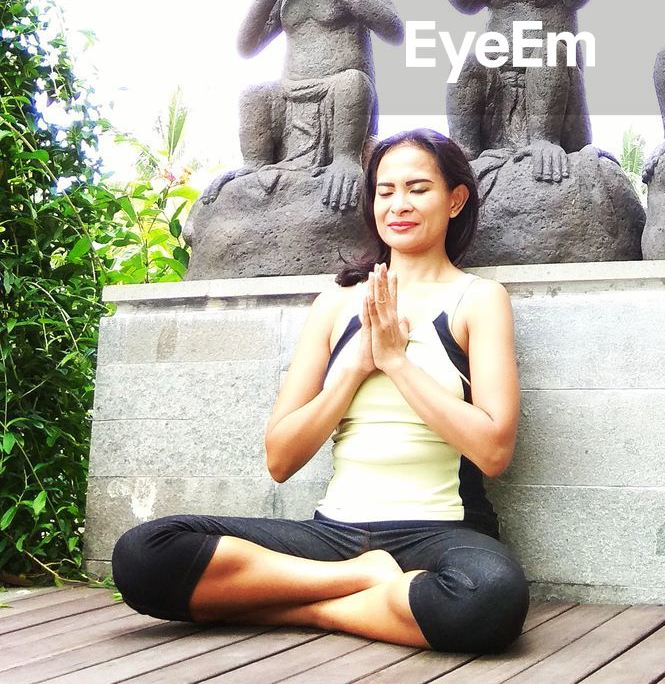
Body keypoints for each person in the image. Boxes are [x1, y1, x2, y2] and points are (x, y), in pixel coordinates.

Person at [112, 129, 529, 654]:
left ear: (455, 200)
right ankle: (365, 585)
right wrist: (354, 367)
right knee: (144, 555)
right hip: (333, 536)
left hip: (438, 533)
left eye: (418, 189)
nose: (398, 204)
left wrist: (397, 362)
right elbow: (281, 458)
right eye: (385, 190)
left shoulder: (479, 299)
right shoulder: (335, 303)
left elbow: (493, 451)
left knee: (490, 596)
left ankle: (311, 608)